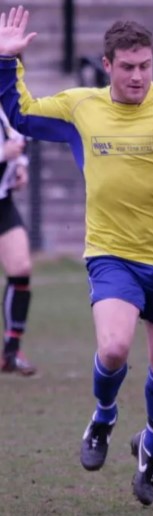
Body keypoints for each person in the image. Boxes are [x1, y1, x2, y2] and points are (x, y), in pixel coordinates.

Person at [0, 5, 153, 506]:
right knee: (113, 349)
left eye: (145, 65)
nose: (138, 76)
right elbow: (21, 114)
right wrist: (5, 61)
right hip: (112, 255)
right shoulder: (81, 107)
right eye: (127, 67)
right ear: (107, 65)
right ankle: (103, 418)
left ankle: (151, 446)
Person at [0, 104, 36, 375]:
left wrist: (20, 165)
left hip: (3, 202)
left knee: (21, 267)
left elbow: (16, 137)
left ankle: (11, 350)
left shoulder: (5, 103)